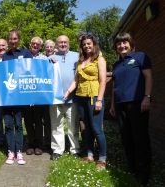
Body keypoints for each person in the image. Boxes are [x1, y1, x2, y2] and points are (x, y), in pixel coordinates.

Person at [109, 32, 152, 186]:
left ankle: (143, 174)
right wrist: (113, 105)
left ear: (131, 43)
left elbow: (148, 77)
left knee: (140, 138)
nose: (122, 46)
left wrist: (147, 97)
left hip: (137, 103)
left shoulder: (140, 57)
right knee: (127, 138)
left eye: (125, 43)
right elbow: (114, 86)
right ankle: (132, 169)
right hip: (120, 105)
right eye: (119, 44)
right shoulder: (116, 65)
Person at [64, 34, 107, 170]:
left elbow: (103, 81)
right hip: (80, 96)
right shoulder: (81, 61)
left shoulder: (99, 59)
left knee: (97, 129)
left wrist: (99, 100)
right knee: (87, 128)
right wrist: (68, 92)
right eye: (84, 44)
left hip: (94, 96)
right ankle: (89, 154)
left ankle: (102, 158)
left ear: (94, 44)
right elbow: (76, 80)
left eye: (89, 43)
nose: (87, 46)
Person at [2, 29, 33, 165]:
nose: (13, 41)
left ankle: (19, 151)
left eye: (15, 39)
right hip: (8, 96)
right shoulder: (5, 56)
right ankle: (11, 151)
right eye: (11, 39)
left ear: (19, 39)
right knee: (8, 125)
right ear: (8, 41)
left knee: (18, 125)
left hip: (21, 97)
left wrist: (31, 96)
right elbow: (3, 74)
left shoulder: (26, 53)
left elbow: (32, 73)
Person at [48, 35, 80, 160]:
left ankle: (75, 149)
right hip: (55, 98)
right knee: (56, 125)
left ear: (69, 43)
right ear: (57, 44)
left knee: (73, 126)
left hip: (72, 97)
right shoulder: (50, 58)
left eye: (65, 42)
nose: (62, 44)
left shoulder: (77, 56)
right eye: (60, 42)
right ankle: (57, 150)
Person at [25, 37, 49, 155]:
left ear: (40, 47)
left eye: (37, 44)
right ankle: (31, 145)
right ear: (30, 44)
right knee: (28, 121)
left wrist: (53, 60)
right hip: (26, 94)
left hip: (39, 94)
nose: (35, 45)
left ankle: (39, 145)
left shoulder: (45, 59)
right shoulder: (24, 56)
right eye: (33, 43)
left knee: (39, 121)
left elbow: (47, 75)